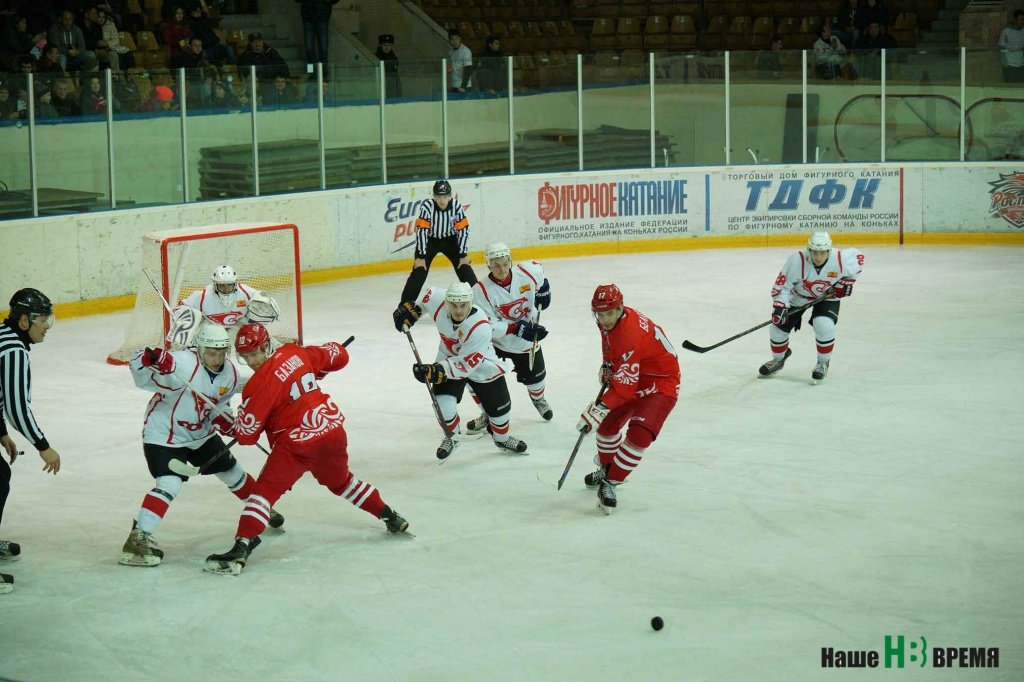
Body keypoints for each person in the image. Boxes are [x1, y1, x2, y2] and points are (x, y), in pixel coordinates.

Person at [203, 322, 409, 575]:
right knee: (341, 482)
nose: (253, 361)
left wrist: (230, 422)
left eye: (255, 353)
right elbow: (339, 355)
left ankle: (241, 547)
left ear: (266, 346)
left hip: (297, 443)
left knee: (263, 493)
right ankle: (390, 516)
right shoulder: (294, 353)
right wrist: (312, 369)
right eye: (246, 357)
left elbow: (246, 436)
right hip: (332, 429)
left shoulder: (257, 387)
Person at [120, 323, 283, 567]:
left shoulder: (230, 373)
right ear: (200, 348)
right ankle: (138, 537)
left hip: (200, 434)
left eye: (221, 352)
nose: (216, 359)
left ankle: (259, 507)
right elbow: (140, 375)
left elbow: (220, 405)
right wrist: (149, 359)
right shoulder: (181, 364)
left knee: (232, 472)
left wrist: (225, 420)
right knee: (170, 483)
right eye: (210, 353)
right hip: (166, 435)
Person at [392, 282, 528, 460]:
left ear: (470, 304)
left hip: (481, 363)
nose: (458, 311)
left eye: (463, 305)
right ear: (447, 302)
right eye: (454, 305)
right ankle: (452, 437)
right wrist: (415, 309)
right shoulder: (439, 300)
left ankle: (501, 439)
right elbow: (427, 297)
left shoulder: (480, 328)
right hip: (448, 357)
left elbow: (465, 366)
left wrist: (434, 371)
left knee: (500, 409)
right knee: (441, 403)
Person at [577, 284, 679, 514]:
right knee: (606, 427)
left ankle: (611, 482)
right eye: (600, 314)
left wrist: (599, 407)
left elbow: (624, 389)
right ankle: (607, 468)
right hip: (635, 373)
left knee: (640, 435)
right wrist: (609, 365)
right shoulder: (613, 320)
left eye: (609, 313)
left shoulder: (630, 334)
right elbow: (612, 346)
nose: (604, 319)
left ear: (620, 308)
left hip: (660, 383)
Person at [0, 289, 61, 594]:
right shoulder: (13, 350)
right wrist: (43, 446)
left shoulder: (3, 335)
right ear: (24, 320)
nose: (48, 325)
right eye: (42, 318)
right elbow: (16, 407)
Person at [466, 242, 552, 435]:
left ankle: (538, 399)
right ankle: (488, 413)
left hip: (525, 342)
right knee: (480, 379)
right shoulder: (480, 291)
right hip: (496, 345)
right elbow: (486, 326)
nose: (502, 269)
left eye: (505, 263)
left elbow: (541, 275)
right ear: (488, 265)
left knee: (537, 379)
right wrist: (517, 328)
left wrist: (544, 290)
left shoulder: (528, 272)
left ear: (510, 260)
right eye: (496, 265)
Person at [758, 231, 863, 383]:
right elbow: (782, 286)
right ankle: (778, 359)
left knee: (824, 325)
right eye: (815, 252)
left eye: (822, 253)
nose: (818, 257)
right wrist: (780, 305)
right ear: (809, 250)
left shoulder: (840, 259)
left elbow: (859, 260)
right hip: (798, 297)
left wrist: (844, 283)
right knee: (777, 329)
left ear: (829, 251)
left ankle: (823, 362)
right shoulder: (796, 261)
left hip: (827, 296)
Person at [397, 179, 477, 305]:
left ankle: (479, 302)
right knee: (419, 270)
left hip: (450, 240)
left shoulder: (456, 206)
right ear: (433, 196)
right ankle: (405, 306)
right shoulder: (427, 207)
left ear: (450, 196)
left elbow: (463, 230)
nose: (441, 200)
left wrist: (462, 255)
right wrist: (421, 256)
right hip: (430, 241)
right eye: (438, 196)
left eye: (445, 196)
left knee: (464, 267)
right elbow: (422, 231)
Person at [171, 266, 280, 347]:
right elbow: (181, 307)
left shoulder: (246, 293)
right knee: (193, 317)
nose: (226, 288)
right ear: (214, 284)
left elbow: (261, 299)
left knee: (253, 329)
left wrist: (264, 303)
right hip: (210, 332)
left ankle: (265, 344)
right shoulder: (203, 296)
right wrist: (184, 322)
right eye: (222, 286)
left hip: (235, 330)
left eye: (229, 285)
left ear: (235, 283)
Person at [295, 0, 341, 69]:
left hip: (322, 15)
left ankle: (323, 73)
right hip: (309, 15)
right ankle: (312, 72)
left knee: (323, 49)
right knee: (309, 49)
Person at [998, 10, 1024, 83]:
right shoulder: (1006, 32)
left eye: (1023, 20)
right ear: (1015, 19)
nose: (1022, 22)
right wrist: (1004, 63)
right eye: (1020, 19)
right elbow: (1001, 48)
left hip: (1021, 65)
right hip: (1009, 65)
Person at [376, 33, 400, 98]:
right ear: (381, 45)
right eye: (385, 45)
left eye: (389, 45)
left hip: (392, 89)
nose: (387, 47)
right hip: (379, 88)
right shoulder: (376, 58)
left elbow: (396, 77)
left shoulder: (394, 58)